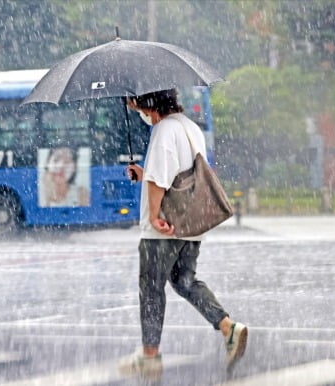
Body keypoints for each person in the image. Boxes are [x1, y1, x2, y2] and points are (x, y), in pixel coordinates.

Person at [120, 89, 247, 376]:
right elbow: (177, 174)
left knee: (151, 288)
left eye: (136, 105)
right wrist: (145, 173)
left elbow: (161, 180)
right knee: (184, 280)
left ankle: (150, 356)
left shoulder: (164, 129)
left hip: (164, 227)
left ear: (148, 103)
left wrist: (153, 216)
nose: (137, 113)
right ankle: (228, 327)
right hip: (189, 225)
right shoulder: (190, 128)